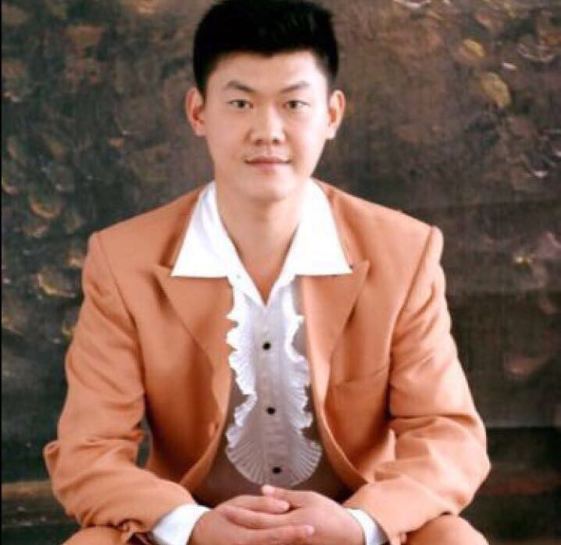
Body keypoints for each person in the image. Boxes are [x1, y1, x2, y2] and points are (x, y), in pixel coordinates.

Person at [44, 0, 491, 544]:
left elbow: (447, 434)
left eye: (294, 104)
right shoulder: (123, 260)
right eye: (240, 103)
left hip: (348, 527)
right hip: (197, 530)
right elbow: (88, 450)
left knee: (455, 539)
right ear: (198, 113)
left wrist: (359, 524)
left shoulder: (405, 251)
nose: (268, 131)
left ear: (332, 115)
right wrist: (193, 526)